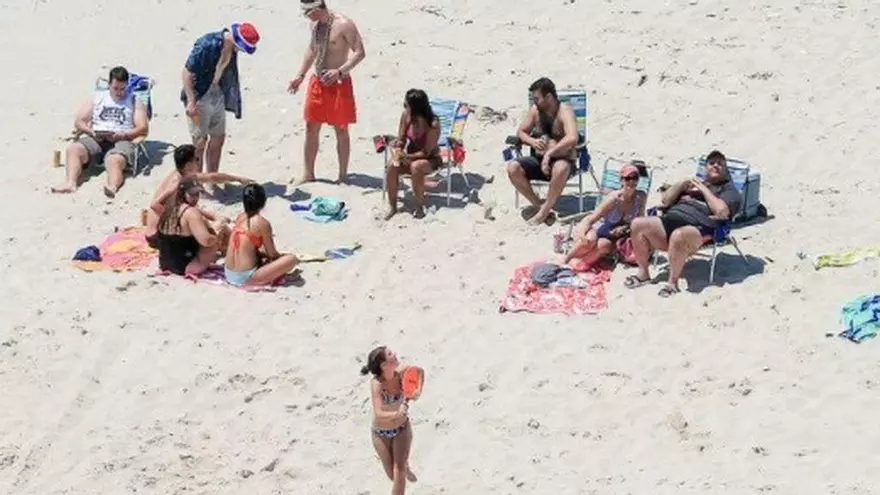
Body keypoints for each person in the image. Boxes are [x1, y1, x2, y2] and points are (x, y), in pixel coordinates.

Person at [625, 150, 743, 297]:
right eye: (712, 163)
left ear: (726, 170)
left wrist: (703, 189)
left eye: (720, 164)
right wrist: (681, 184)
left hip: (699, 230)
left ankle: (672, 284)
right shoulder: (692, 186)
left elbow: (721, 211)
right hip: (669, 221)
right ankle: (643, 273)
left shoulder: (729, 190)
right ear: (705, 168)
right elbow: (666, 200)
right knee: (637, 224)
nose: (716, 166)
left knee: (678, 234)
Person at [288, 0, 366, 184]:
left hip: (338, 82)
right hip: (318, 81)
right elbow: (312, 49)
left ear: (317, 9)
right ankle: (308, 174)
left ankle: (343, 175)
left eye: (309, 13)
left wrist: (340, 71)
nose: (307, 18)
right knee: (311, 127)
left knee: (341, 129)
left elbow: (360, 52)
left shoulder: (344, 24)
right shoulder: (315, 25)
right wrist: (300, 75)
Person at [181, 22, 260, 188]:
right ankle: (197, 182)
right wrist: (190, 101)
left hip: (217, 93)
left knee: (218, 139)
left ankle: (212, 180)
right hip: (198, 96)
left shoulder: (230, 47)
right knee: (199, 142)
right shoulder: (207, 44)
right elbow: (187, 72)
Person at [51, 66, 149, 197]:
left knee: (114, 160)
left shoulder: (134, 101)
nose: (119, 92)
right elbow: (79, 121)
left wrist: (125, 134)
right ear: (109, 84)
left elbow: (143, 127)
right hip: (97, 137)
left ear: (127, 85)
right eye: (115, 88)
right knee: (73, 149)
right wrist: (91, 132)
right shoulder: (98, 98)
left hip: (122, 138)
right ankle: (70, 183)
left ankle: (112, 187)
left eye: (122, 88)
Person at [145, 144, 252, 246]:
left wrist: (238, 179)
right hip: (157, 236)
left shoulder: (183, 174)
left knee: (200, 219)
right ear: (188, 165)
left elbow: (211, 177)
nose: (199, 161)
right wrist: (173, 221)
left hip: (161, 232)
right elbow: (155, 205)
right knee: (214, 231)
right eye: (197, 159)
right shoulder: (176, 183)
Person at [505, 77, 579, 225]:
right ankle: (539, 205)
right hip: (538, 161)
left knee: (561, 167)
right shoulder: (535, 111)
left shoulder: (564, 111)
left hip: (560, 161)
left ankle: (543, 213)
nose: (534, 102)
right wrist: (532, 141)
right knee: (513, 168)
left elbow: (572, 137)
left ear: (549, 97)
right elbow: (521, 132)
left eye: (537, 98)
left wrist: (550, 153)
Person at [560, 162, 647, 266]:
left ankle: (579, 264)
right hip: (599, 228)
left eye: (635, 178)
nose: (632, 181)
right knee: (589, 241)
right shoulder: (613, 198)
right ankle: (566, 260)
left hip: (616, 236)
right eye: (628, 178)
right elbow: (592, 219)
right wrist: (582, 234)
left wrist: (625, 227)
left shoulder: (641, 196)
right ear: (621, 180)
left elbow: (640, 221)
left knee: (604, 246)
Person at [360, 346, 418, 495]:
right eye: (391, 354)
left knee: (399, 475)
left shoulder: (401, 372)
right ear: (384, 365)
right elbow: (378, 413)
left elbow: (418, 373)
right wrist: (396, 414)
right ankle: (404, 465)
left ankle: (403, 465)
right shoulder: (377, 384)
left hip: (402, 428)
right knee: (392, 475)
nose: (396, 354)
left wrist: (416, 390)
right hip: (381, 433)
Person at [223, 183, 300, 287]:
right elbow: (272, 254)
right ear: (263, 202)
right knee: (292, 259)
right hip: (245, 277)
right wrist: (281, 257)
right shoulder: (262, 223)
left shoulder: (240, 217)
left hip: (228, 273)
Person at [384, 89, 443, 220]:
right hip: (409, 156)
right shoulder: (406, 116)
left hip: (430, 159)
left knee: (416, 167)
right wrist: (398, 147)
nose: (404, 107)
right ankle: (393, 207)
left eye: (406, 105)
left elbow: (426, 152)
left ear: (415, 108)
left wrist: (407, 157)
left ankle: (419, 207)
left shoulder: (433, 124)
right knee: (391, 166)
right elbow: (402, 138)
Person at [155, 179, 227, 276]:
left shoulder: (168, 207)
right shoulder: (191, 213)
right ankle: (229, 252)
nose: (196, 198)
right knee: (219, 229)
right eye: (192, 195)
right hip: (186, 267)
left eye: (197, 194)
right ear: (182, 193)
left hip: (164, 263)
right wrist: (216, 235)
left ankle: (226, 250)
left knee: (207, 227)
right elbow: (206, 241)